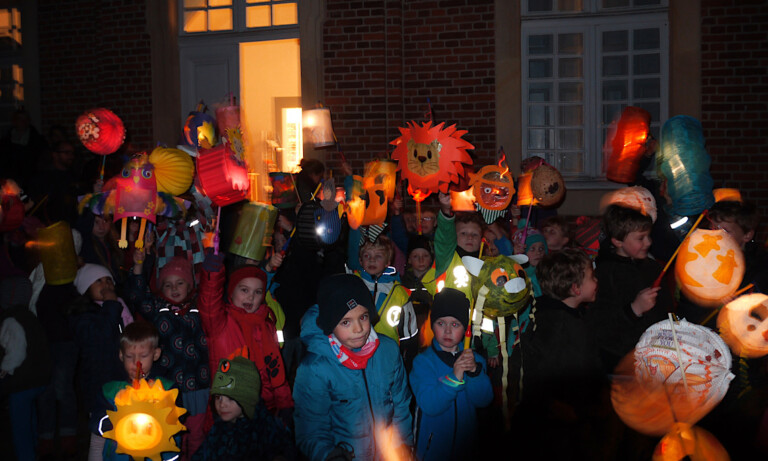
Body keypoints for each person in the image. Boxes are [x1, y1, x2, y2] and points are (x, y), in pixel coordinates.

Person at [294, 274, 413, 460]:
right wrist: (329, 454)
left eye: (363, 317)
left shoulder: (388, 351)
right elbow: (311, 428)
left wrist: (404, 444)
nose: (358, 329)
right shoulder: (316, 368)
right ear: (330, 324)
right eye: (346, 322)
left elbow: (401, 404)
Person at [516, 249, 604, 459]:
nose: (596, 281)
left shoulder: (550, 314)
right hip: (560, 422)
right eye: (592, 277)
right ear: (575, 288)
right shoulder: (562, 326)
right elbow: (558, 372)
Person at [126, 253, 210, 458]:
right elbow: (137, 297)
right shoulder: (157, 309)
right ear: (161, 288)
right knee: (172, 432)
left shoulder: (199, 307)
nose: (174, 288)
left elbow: (214, 294)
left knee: (196, 431)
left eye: (180, 283)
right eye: (168, 284)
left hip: (197, 384)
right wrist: (138, 266)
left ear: (189, 285)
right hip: (168, 386)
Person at [198, 250, 293, 418]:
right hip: (229, 411)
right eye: (244, 290)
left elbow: (277, 371)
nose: (251, 297)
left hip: (265, 411)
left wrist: (284, 405)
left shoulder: (267, 323)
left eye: (257, 292)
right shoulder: (220, 323)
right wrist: (212, 275)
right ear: (231, 292)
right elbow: (209, 301)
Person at [586, 204, 672, 374]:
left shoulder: (653, 268)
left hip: (655, 359)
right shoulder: (604, 274)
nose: (648, 242)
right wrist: (634, 309)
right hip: (621, 362)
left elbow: (666, 309)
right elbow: (600, 326)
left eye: (649, 236)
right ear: (618, 241)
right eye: (641, 238)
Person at [409, 288, 493, 461]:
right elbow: (430, 405)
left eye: (455, 324)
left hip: (465, 448)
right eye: (441, 323)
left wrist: (475, 373)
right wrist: (454, 378)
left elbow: (484, 400)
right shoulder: (423, 362)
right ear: (432, 325)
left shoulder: (474, 361)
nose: (447, 331)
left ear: (465, 330)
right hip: (432, 451)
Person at [68, 264, 134, 460]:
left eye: (108, 280)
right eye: (98, 281)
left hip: (121, 382)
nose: (106, 284)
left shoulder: (119, 308)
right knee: (100, 435)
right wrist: (111, 305)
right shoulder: (83, 315)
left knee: (121, 433)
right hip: (99, 386)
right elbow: (101, 339)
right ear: (86, 288)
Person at [89, 322, 178, 461]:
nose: (137, 363)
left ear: (155, 354)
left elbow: (176, 423)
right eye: (130, 356)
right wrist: (117, 416)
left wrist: (161, 401)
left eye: (143, 356)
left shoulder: (168, 388)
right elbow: (96, 423)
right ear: (121, 355)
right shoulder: (110, 390)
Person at [192, 350, 294, 460]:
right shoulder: (218, 428)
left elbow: (282, 450)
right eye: (218, 397)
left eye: (230, 398)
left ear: (247, 399)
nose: (222, 404)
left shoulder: (264, 429)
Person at [0, 277, 51, 461]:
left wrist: (5, 368)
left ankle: (26, 455)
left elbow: (17, 351)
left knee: (19, 423)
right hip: (38, 377)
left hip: (22, 381)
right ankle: (34, 446)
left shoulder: (11, 320)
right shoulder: (29, 315)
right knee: (29, 416)